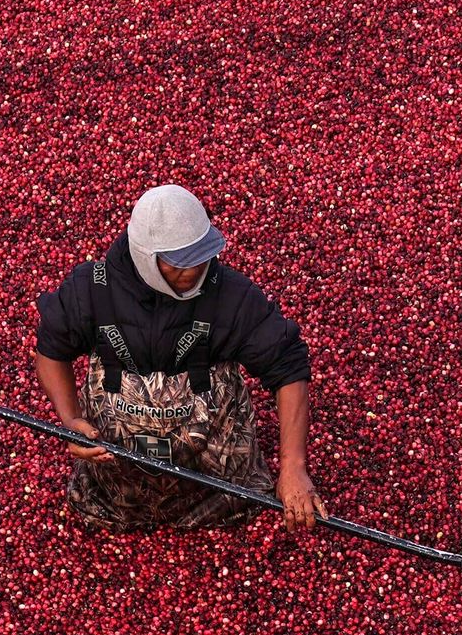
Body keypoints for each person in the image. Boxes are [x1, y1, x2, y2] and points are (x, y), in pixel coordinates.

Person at [30, 185, 323, 533]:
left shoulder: (230, 294)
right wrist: (70, 419)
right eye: (180, 263)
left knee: (235, 501)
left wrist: (293, 466)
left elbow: (287, 365)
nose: (196, 269)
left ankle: (223, 500)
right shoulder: (91, 288)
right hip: (115, 457)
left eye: (202, 255)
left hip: (215, 462)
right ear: (144, 256)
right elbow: (51, 351)